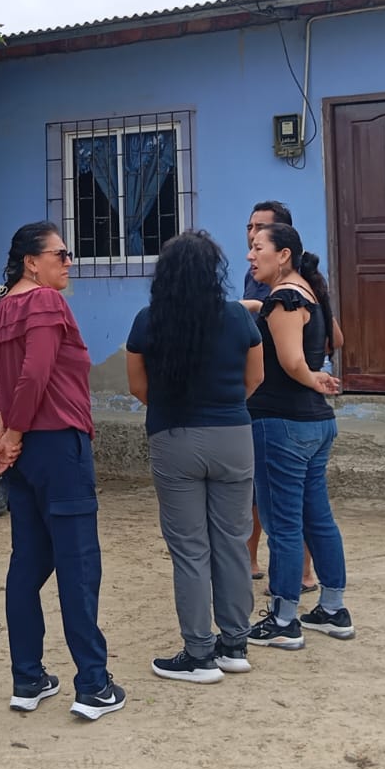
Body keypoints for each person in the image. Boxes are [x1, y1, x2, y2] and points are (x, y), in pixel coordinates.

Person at [0, 222, 125, 722]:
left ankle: (28, 678)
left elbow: (2, 381)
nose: (68, 262)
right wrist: (13, 433)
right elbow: (35, 373)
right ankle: (93, 684)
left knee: (28, 560)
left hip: (24, 448)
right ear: (31, 262)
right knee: (78, 563)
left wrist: (6, 433)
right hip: (57, 443)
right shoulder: (44, 302)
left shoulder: (5, 307)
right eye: (59, 254)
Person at [125, 231, 264, 684]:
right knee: (233, 540)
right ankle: (234, 645)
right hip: (234, 436)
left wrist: (175, 410)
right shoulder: (238, 317)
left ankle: (199, 654)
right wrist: (224, 409)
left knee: (189, 549)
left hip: (174, 437)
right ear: (213, 271)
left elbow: (138, 387)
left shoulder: (148, 321)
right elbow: (255, 379)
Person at [244, 221, 356, 650]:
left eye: (258, 247)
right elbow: (334, 338)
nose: (251, 255)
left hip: (282, 423)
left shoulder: (285, 299)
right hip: (314, 424)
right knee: (316, 517)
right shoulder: (309, 293)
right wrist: (258, 307)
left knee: (284, 524)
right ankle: (332, 608)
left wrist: (312, 378)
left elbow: (292, 361)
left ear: (283, 254)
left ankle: (284, 618)